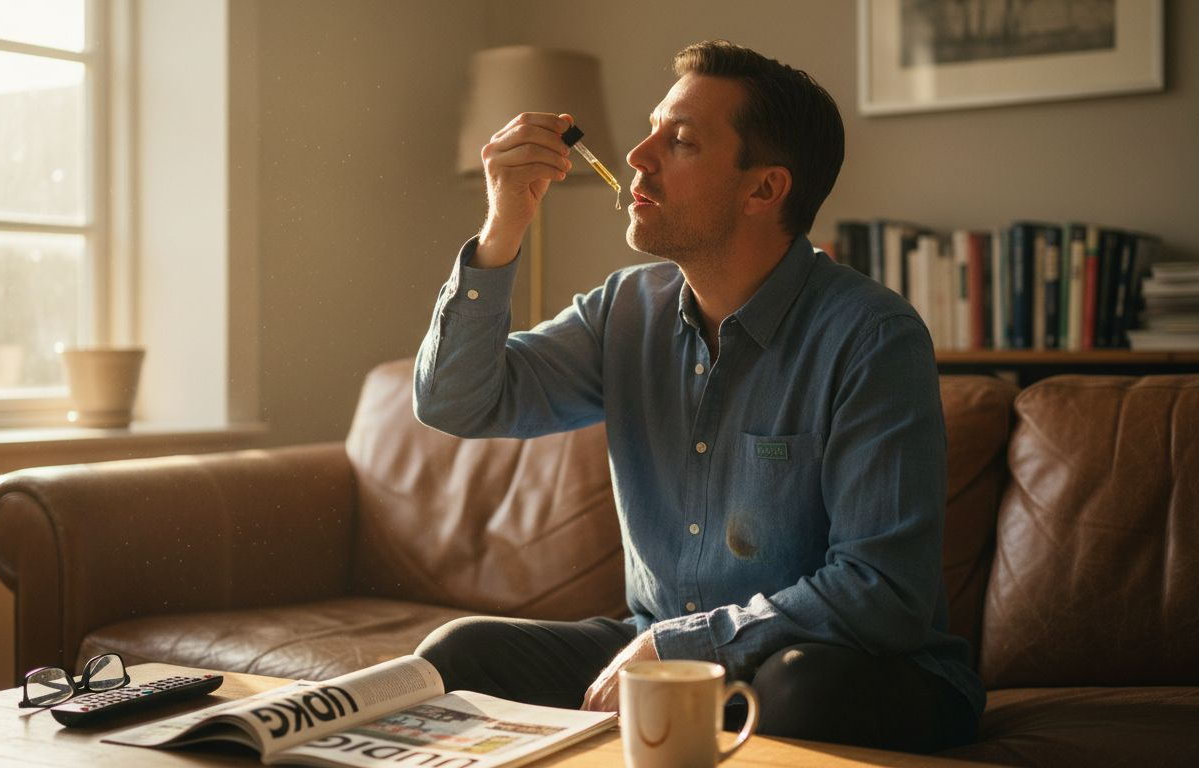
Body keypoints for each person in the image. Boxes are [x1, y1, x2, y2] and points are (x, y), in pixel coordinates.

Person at [411, 40, 981, 753]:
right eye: (652, 131)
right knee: (458, 655)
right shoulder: (624, 310)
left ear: (764, 190)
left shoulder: (872, 336)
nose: (638, 156)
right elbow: (455, 402)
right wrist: (504, 227)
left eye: (678, 141)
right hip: (662, 660)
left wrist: (684, 647)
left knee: (792, 689)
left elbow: (883, 593)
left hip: (858, 670)